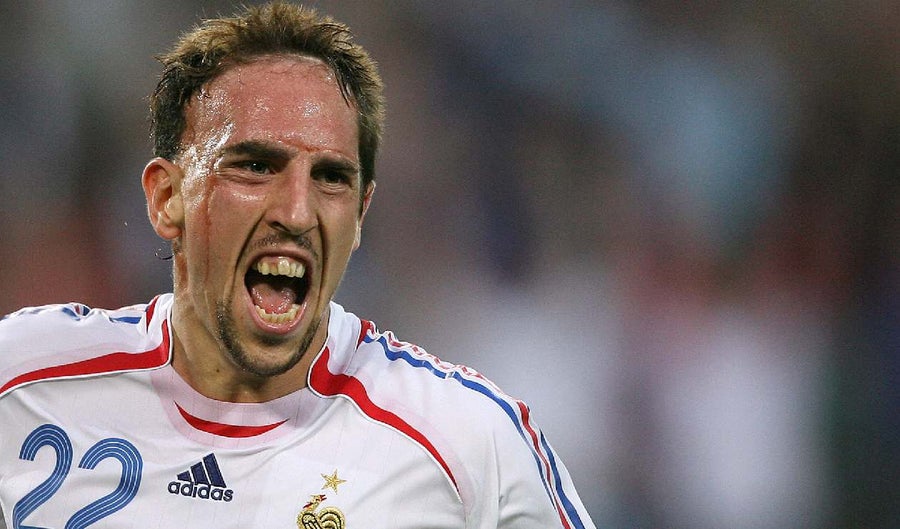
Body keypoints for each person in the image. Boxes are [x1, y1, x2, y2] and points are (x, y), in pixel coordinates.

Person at [0, 2, 595, 528]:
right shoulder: (23, 382)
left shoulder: (465, 445)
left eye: (331, 177)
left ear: (359, 216)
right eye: (256, 166)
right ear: (166, 198)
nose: (297, 212)